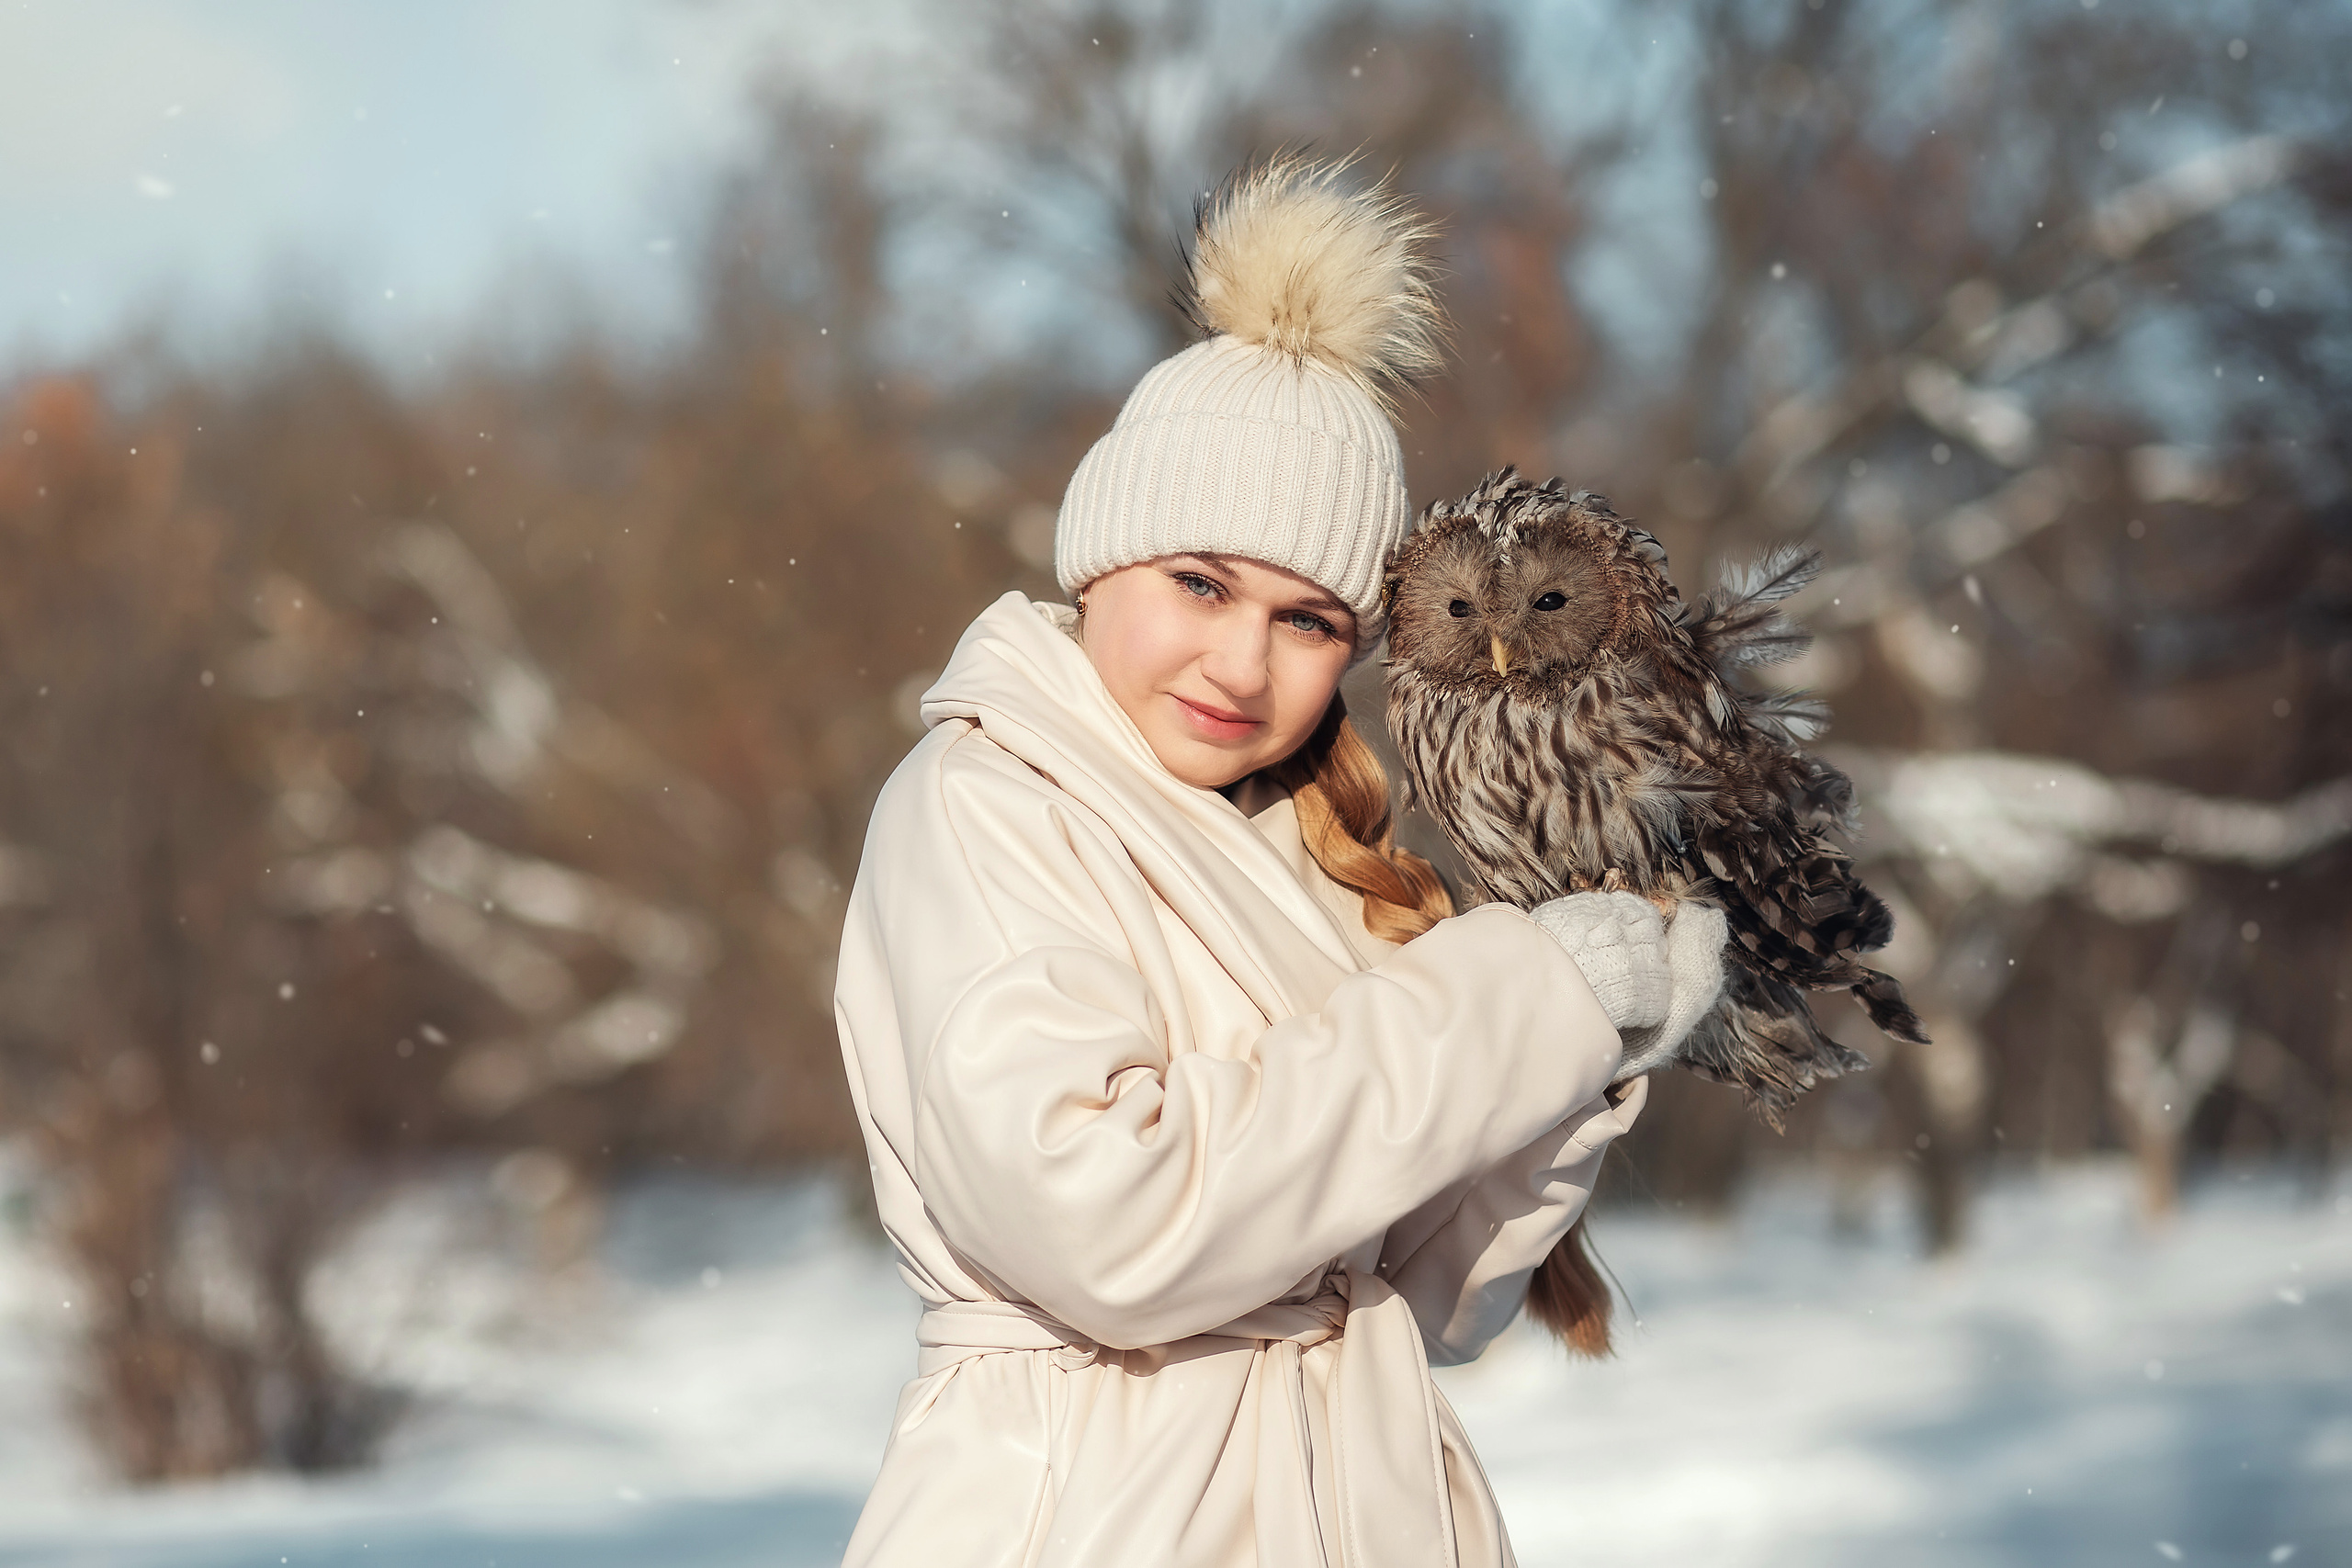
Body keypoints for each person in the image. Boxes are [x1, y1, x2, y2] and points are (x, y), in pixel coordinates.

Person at [833, 158, 1726, 1568]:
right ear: (1099, 560)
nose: (1242, 663)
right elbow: (1110, 1226)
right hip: (1098, 1520)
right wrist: (1506, 1000)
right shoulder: (985, 798)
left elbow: (1428, 1301)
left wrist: (1583, 1050)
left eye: (1310, 621)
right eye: (1201, 583)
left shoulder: (1304, 849)